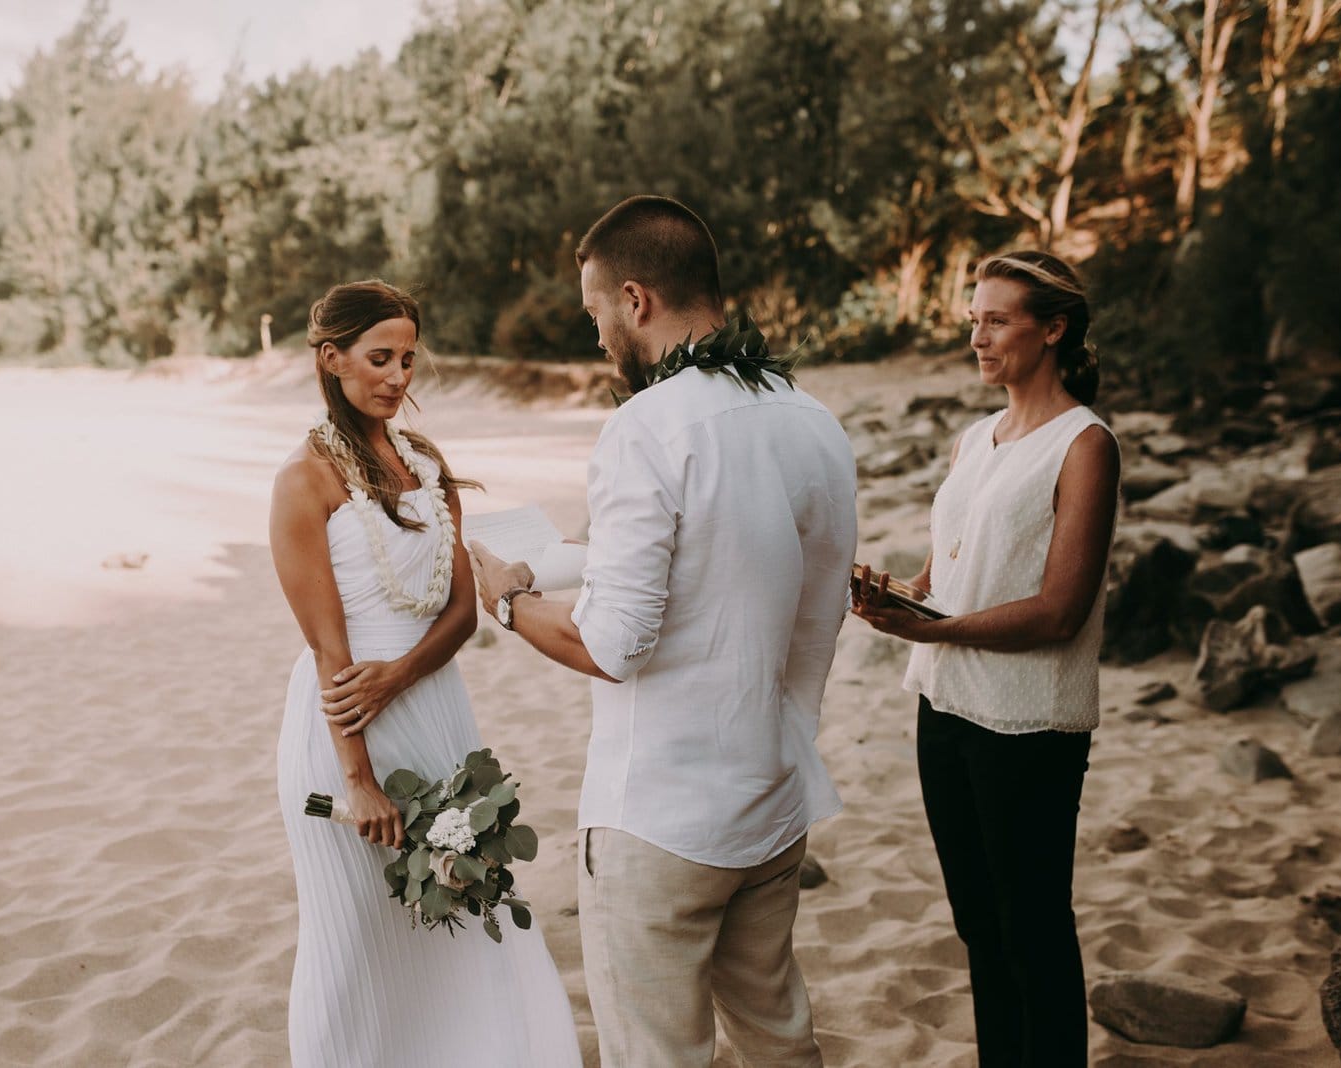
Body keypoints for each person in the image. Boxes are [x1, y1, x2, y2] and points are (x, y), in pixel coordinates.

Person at [469, 195, 858, 1068]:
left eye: (595, 313)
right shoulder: (813, 420)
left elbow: (613, 646)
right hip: (774, 797)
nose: (596, 335)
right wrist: (561, 564)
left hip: (661, 819)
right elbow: (766, 576)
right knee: (778, 1040)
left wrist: (507, 602)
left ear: (635, 299)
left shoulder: (644, 425)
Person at [270, 280, 580, 1068]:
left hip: (434, 712)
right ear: (332, 358)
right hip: (347, 732)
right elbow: (330, 652)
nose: (397, 376)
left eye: (407, 360)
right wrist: (359, 781)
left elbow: (463, 613)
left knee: (471, 912)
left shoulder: (426, 464)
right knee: (356, 937)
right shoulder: (303, 480)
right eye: (379, 358)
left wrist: (402, 674)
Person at [851, 250, 1120, 1068]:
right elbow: (949, 579)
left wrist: (934, 631)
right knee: (977, 924)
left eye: (997, 321)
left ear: (1053, 329)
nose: (977, 337)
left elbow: (1060, 610)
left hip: (1028, 723)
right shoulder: (975, 439)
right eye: (974, 320)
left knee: (1032, 928)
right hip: (943, 707)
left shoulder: (1085, 444)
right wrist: (895, 596)